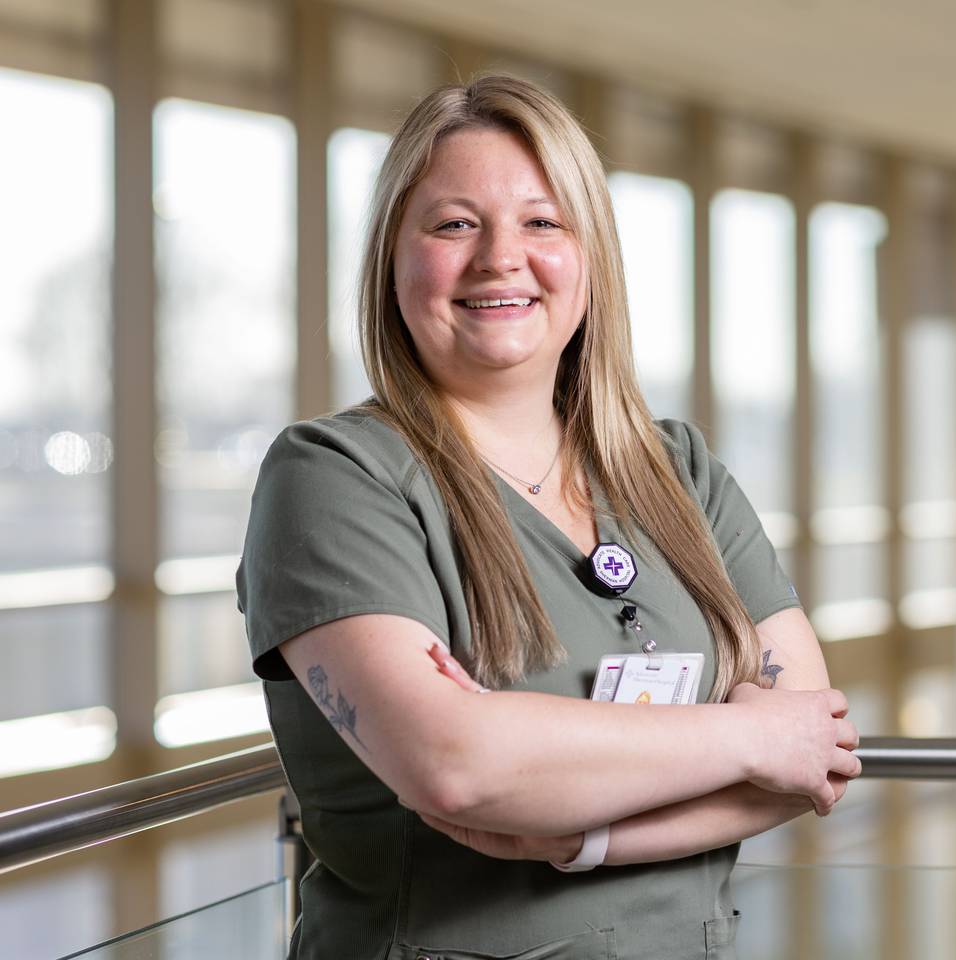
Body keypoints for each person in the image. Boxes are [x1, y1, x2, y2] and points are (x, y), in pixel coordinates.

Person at [237, 73, 860, 960]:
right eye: (455, 224)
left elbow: (815, 754)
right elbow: (457, 766)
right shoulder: (335, 477)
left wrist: (584, 836)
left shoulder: (675, 470)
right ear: (393, 258)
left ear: (590, 255)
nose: (499, 257)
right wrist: (750, 735)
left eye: (542, 222)